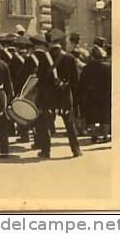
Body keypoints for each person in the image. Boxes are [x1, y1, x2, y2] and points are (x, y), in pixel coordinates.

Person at [34, 29, 82, 158]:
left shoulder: (44, 57)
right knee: (69, 123)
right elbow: (76, 80)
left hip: (49, 97)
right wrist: (66, 85)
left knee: (46, 124)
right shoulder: (69, 57)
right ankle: (76, 150)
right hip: (65, 95)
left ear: (49, 43)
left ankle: (46, 151)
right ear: (60, 42)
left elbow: (40, 78)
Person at [80, 45, 111, 143]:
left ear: (92, 57)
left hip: (91, 95)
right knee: (105, 116)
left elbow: (82, 83)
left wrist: (83, 95)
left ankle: (94, 136)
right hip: (105, 95)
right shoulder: (108, 67)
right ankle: (105, 136)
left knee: (91, 117)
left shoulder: (86, 68)